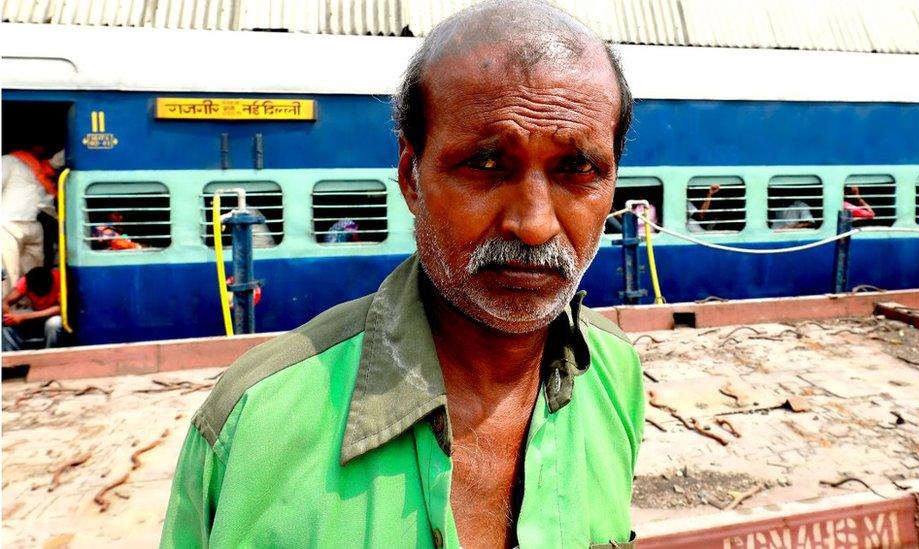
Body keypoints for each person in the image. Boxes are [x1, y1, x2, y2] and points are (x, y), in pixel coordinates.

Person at [161, 2, 644, 548]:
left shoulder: (615, 375)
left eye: (577, 168)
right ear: (410, 178)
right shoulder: (253, 423)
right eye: (486, 164)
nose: (533, 225)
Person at [1, 147, 62, 295]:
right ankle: (6, 311)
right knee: (10, 273)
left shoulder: (41, 172)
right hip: (9, 223)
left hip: (34, 226)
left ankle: (25, 310)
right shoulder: (9, 161)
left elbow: (45, 204)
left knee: (33, 273)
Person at [2, 266, 63, 351]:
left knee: (54, 323)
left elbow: (61, 309)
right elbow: (5, 303)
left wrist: (23, 317)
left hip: (53, 315)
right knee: (5, 324)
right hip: (34, 311)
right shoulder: (25, 281)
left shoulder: (60, 278)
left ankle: (49, 356)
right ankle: (13, 358)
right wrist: (10, 318)